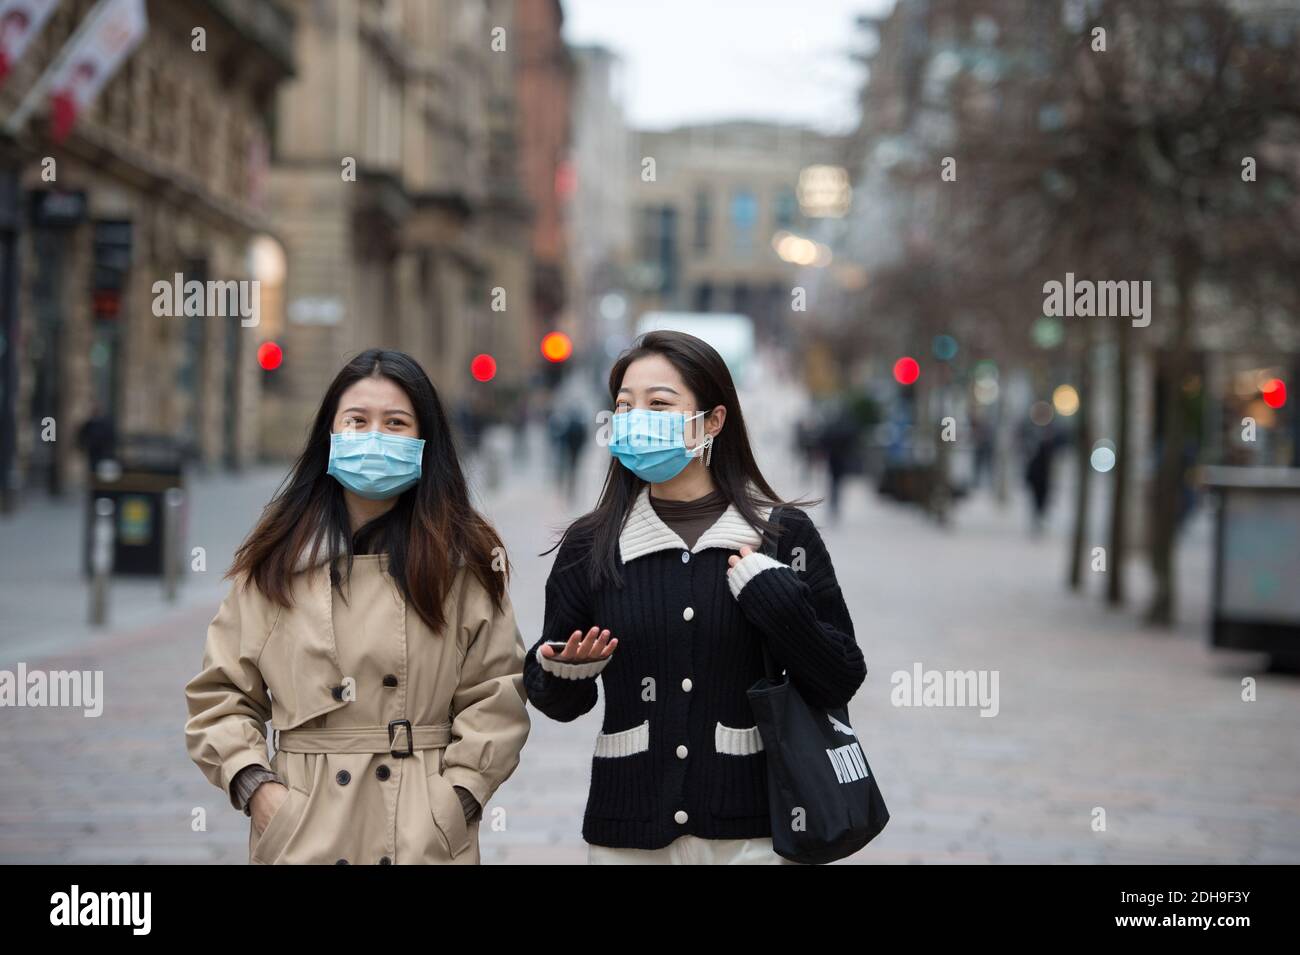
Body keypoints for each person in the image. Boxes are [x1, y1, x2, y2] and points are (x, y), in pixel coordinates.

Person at [523, 330, 866, 864]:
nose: (636, 418)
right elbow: (557, 699)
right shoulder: (590, 545)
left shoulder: (782, 534)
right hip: (627, 832)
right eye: (624, 406)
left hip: (752, 833)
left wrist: (777, 602)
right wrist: (565, 670)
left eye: (659, 403)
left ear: (713, 421)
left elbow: (841, 675)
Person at [184, 349, 531, 864]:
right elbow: (222, 694)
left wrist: (454, 800)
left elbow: (497, 695)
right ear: (331, 433)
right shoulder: (278, 559)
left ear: (423, 441)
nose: (374, 436)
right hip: (304, 825)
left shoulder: (462, 558)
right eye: (358, 420)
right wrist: (258, 789)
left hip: (422, 829)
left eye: (395, 423)